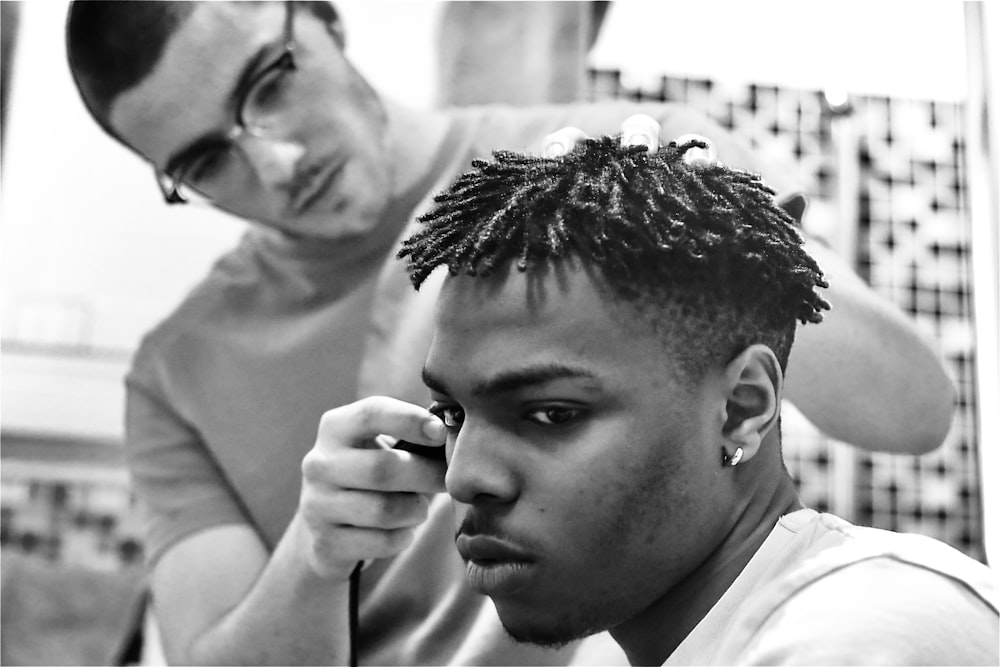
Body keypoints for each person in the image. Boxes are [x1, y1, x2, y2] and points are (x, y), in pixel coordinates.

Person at [65, 1, 956, 664]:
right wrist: (316, 552)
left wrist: (716, 239)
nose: (275, 160)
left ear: (327, 23)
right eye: (205, 160)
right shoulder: (177, 372)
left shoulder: (628, 154)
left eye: (271, 82)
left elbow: (912, 412)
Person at [395, 132, 999, 665]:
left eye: (552, 414)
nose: (464, 478)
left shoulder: (864, 631)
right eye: (452, 415)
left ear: (740, 408)